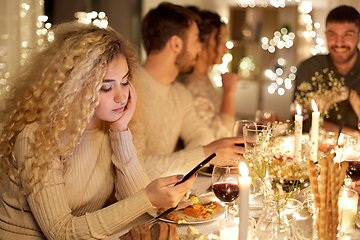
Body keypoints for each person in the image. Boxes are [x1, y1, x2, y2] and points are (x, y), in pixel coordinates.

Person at [0, 22, 195, 239]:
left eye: (124, 81)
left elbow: (137, 206)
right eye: (106, 87)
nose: (121, 97)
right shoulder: (37, 137)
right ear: (74, 87)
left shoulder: (110, 126)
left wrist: (120, 131)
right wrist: (147, 197)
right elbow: (60, 232)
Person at [130, 2, 243, 181]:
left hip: (163, 198)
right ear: (176, 44)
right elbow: (132, 167)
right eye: (196, 40)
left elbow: (201, 136)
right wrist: (206, 152)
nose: (199, 49)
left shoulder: (179, 93)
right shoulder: (128, 90)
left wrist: (207, 150)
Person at [293, 5, 360, 137]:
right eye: (332, 34)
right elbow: (302, 121)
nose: (339, 43)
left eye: (348, 35)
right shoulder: (309, 68)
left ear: (359, 35)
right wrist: (352, 133)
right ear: (325, 35)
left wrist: (351, 95)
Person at [177, 6, 239, 139]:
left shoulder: (204, 78)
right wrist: (229, 92)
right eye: (220, 39)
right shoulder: (188, 85)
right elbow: (221, 136)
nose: (225, 47)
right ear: (201, 40)